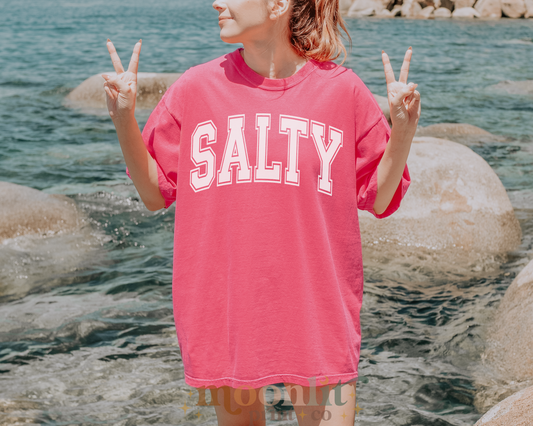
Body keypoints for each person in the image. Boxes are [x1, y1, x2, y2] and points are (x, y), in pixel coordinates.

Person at [101, 0, 420, 424]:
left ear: (277, 5)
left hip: (317, 310)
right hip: (225, 309)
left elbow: (379, 200)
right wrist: (123, 119)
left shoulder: (342, 90)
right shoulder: (196, 88)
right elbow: (155, 193)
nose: (217, 2)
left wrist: (404, 132)